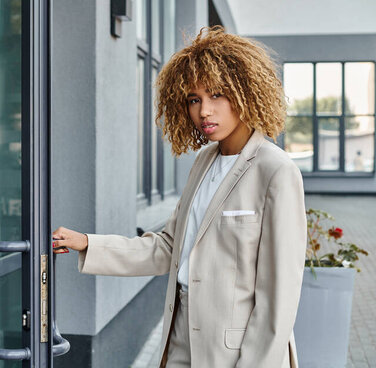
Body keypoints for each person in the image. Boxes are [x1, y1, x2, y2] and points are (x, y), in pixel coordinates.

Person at [52, 26, 307, 368]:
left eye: (217, 95)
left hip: (237, 352)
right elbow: (168, 248)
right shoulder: (204, 162)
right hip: (181, 337)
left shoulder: (275, 170)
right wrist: (86, 243)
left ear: (245, 92)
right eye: (194, 99)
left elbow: (279, 295)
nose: (204, 111)